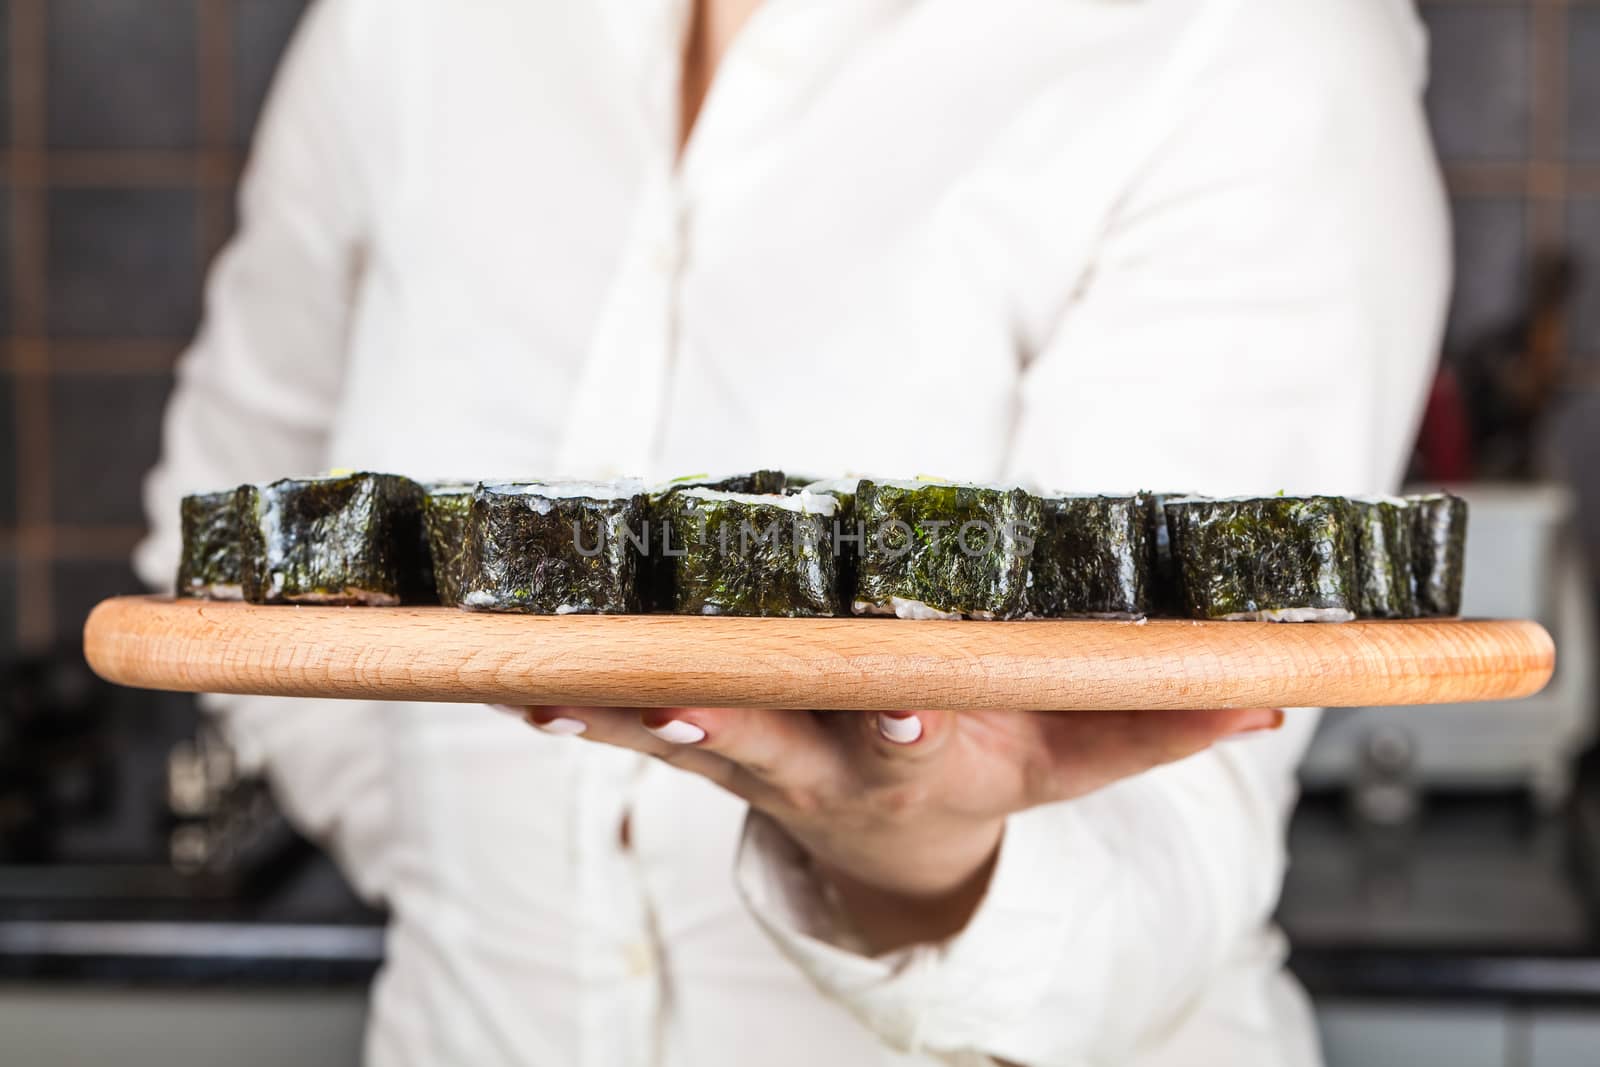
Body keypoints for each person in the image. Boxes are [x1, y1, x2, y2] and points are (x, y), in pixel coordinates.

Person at [137, 0, 1449, 1063]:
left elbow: (1167, 865)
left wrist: (914, 847)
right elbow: (226, 529)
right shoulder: (403, 27)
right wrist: (468, 861)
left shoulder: (1258, 41)